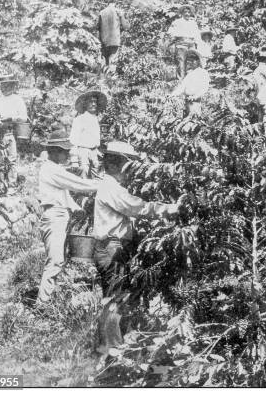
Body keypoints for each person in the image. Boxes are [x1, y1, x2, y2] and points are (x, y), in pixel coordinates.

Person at [93, 141, 184, 350]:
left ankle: (118, 346)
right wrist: (170, 209)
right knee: (114, 299)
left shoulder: (112, 186)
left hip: (114, 247)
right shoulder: (110, 187)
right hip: (111, 248)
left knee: (118, 297)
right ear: (116, 164)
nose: (131, 171)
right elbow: (137, 207)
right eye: (128, 165)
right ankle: (109, 350)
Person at [36, 130, 98, 306]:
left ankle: (49, 298)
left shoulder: (55, 169)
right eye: (64, 151)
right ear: (54, 151)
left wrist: (76, 208)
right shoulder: (51, 169)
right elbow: (78, 184)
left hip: (60, 215)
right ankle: (42, 304)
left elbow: (64, 194)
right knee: (55, 261)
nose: (67, 154)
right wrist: (101, 185)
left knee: (60, 258)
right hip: (54, 217)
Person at [69, 90, 108, 178]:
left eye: (95, 102)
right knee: (83, 176)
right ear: (85, 104)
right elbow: (73, 140)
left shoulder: (96, 120)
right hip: (82, 152)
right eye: (91, 102)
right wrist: (74, 160)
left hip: (94, 153)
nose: (93, 104)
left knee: (97, 177)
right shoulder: (79, 119)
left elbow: (95, 140)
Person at [170, 50, 210, 117]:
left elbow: (204, 88)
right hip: (187, 102)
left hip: (196, 102)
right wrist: (173, 94)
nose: (191, 63)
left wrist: (195, 96)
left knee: (194, 120)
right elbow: (182, 87)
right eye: (190, 61)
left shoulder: (203, 73)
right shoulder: (190, 74)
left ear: (198, 61)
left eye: (193, 61)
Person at [168, 5, 201, 78]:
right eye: (185, 12)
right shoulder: (177, 22)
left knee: (192, 62)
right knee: (181, 63)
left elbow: (197, 35)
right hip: (181, 44)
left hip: (191, 44)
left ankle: (190, 81)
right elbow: (170, 33)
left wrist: (197, 44)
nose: (187, 14)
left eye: (189, 12)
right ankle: (181, 81)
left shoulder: (193, 23)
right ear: (182, 13)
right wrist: (175, 40)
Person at [98, 3, 129, 74]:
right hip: (114, 41)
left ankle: (102, 80)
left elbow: (98, 28)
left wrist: (99, 41)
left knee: (103, 62)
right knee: (112, 62)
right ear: (115, 4)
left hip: (104, 41)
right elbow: (126, 26)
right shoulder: (118, 12)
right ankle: (110, 80)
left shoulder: (102, 12)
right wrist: (122, 16)